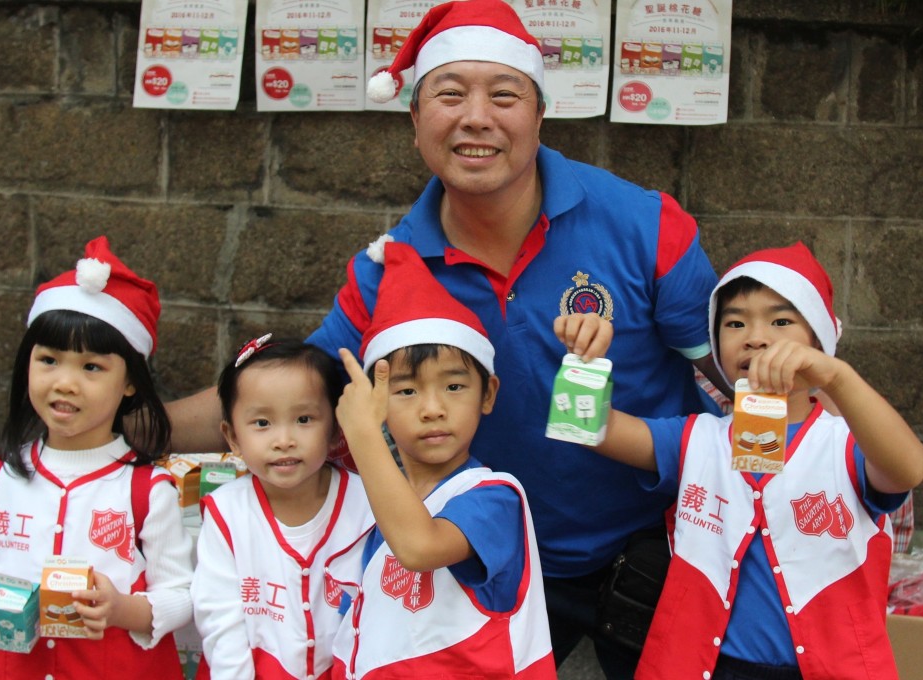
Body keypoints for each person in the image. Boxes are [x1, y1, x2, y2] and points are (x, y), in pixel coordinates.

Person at [161, 0, 725, 674]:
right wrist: (137, 426)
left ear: (540, 113)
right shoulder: (386, 270)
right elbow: (294, 390)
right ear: (415, 120)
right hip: (471, 564)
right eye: (450, 95)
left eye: (503, 95)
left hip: (647, 563)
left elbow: (737, 382)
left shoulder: (646, 228)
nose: (476, 118)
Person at [584, 242, 923, 679]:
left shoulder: (847, 442)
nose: (755, 336)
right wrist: (584, 363)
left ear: (820, 341)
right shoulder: (697, 439)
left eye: (781, 320)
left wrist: (837, 377)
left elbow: (909, 469)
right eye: (734, 323)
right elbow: (591, 430)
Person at [0, 236, 194, 678]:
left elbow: (181, 594)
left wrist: (122, 610)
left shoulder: (146, 490)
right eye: (48, 360)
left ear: (130, 383)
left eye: (91, 367)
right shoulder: (2, 475)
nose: (65, 383)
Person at [327, 239, 557, 678]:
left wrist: (364, 436)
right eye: (407, 390)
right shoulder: (374, 495)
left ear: (487, 394)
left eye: (454, 387)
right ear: (377, 402)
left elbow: (420, 546)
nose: (432, 408)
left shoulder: (493, 498)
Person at [191, 335, 373, 680]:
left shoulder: (368, 503)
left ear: (336, 429)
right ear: (232, 437)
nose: (284, 439)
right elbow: (220, 619)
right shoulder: (227, 513)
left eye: (304, 419)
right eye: (262, 423)